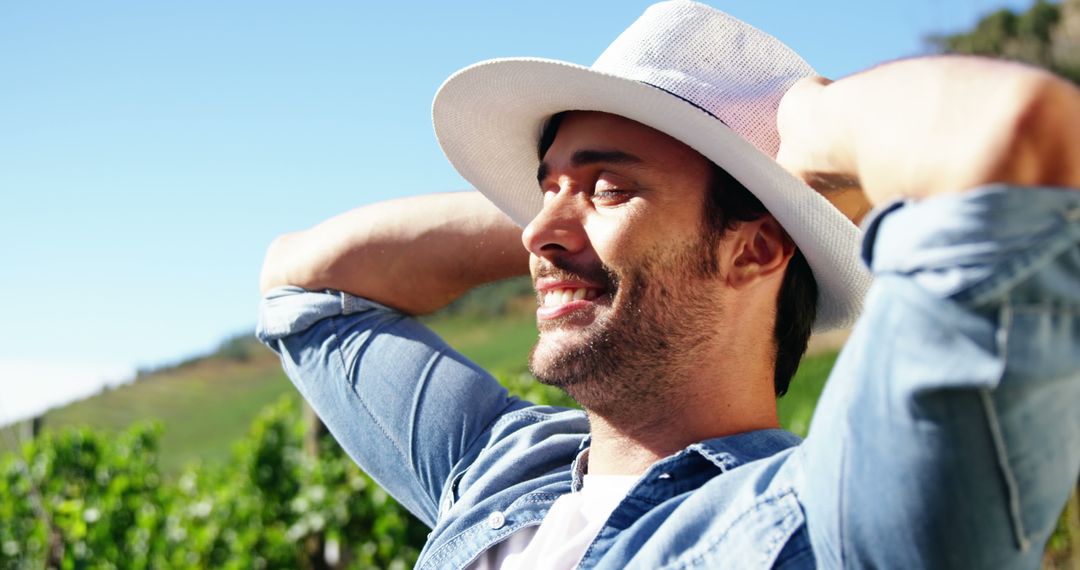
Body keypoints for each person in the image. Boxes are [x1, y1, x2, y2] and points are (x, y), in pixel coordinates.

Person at [256, 1, 1080, 567]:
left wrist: (801, 129)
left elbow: (1020, 145)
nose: (534, 232)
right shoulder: (504, 470)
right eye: (544, 189)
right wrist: (578, 226)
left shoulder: (829, 523)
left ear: (755, 252)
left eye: (611, 185)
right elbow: (304, 286)